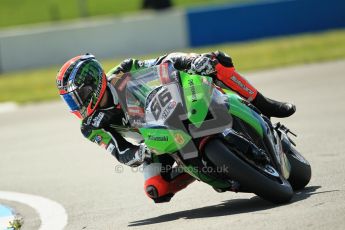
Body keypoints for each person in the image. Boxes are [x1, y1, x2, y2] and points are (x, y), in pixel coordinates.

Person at [56, 51, 296, 203]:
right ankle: (220, 174)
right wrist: (142, 153)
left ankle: (265, 105)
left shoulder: (124, 71)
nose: (77, 104)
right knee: (156, 189)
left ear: (94, 81)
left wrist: (193, 60)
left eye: (79, 95)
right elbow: (121, 153)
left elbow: (166, 61)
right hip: (155, 141)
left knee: (215, 61)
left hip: (174, 103)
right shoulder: (90, 127)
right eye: (70, 100)